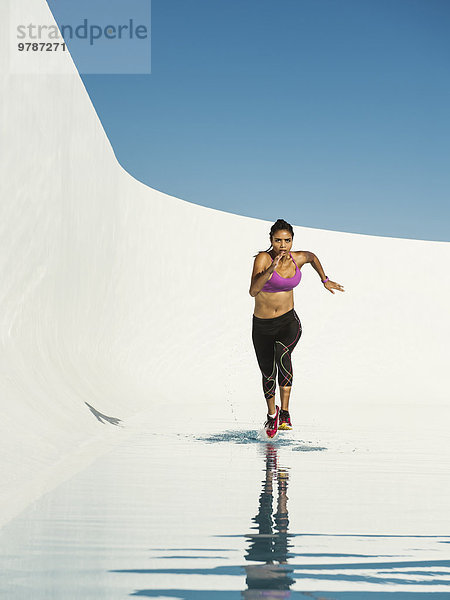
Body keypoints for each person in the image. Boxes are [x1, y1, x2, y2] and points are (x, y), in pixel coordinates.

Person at [249, 219, 344, 438]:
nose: (283, 245)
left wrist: (325, 279)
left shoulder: (297, 258)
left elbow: (311, 256)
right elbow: (253, 291)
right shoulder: (264, 259)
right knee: (267, 372)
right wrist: (269, 270)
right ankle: (272, 415)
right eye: (278, 240)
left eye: (287, 240)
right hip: (262, 325)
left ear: (292, 241)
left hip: (288, 322)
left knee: (282, 353)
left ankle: (286, 413)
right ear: (271, 240)